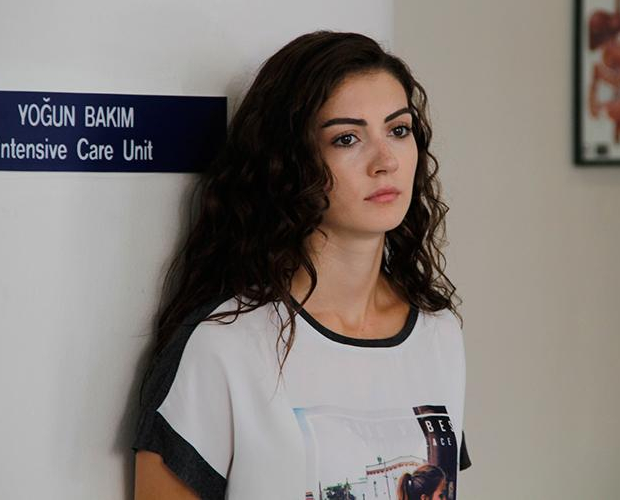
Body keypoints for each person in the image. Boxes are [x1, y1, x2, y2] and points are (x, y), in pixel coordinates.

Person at [132, 30, 471, 500]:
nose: (385, 161)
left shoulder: (438, 334)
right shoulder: (223, 346)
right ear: (289, 162)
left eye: (398, 130)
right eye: (347, 138)